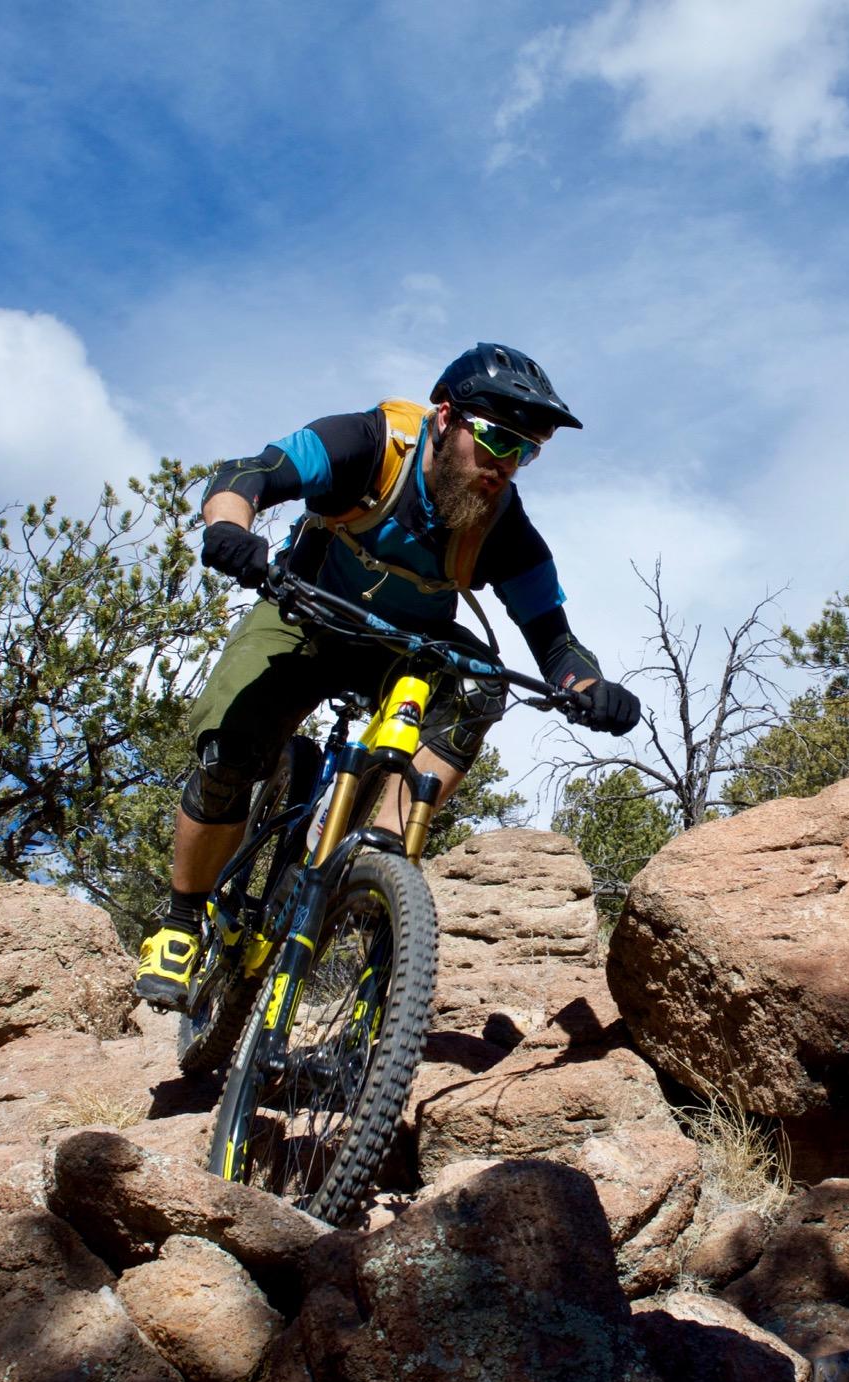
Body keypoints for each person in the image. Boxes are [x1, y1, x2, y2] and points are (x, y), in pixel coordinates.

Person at [133, 343, 641, 1008]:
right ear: (443, 418)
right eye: (494, 439)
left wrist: (589, 691)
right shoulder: (369, 444)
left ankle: (377, 859)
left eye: (525, 453)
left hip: (404, 647)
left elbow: (554, 640)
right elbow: (250, 474)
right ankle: (181, 922)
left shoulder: (504, 527)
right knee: (229, 757)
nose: (504, 465)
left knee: (482, 681)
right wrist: (232, 532)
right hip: (306, 615)